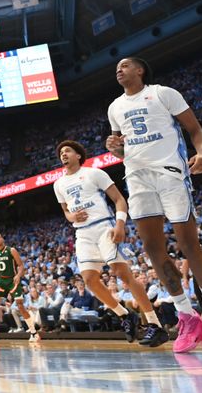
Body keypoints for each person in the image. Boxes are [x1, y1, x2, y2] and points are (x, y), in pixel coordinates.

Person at [106, 57, 202, 353]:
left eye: (125, 66)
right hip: (136, 176)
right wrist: (117, 149)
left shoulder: (163, 93)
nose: (119, 70)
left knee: (188, 244)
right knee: (152, 248)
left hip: (170, 171)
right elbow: (125, 149)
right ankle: (187, 315)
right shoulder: (114, 107)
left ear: (140, 70)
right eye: (117, 68)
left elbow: (196, 131)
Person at [53, 140, 168, 346]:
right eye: (61, 152)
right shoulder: (58, 184)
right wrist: (72, 217)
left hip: (104, 227)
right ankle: (125, 315)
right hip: (82, 233)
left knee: (123, 273)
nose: (63, 154)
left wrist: (120, 225)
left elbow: (119, 199)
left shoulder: (94, 173)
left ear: (78, 155)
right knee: (89, 279)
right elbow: (66, 211)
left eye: (68, 150)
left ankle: (154, 324)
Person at [0, 233, 38, 340]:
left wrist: (18, 275)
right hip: (1, 281)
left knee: (20, 305)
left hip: (12, 280)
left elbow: (21, 265)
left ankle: (34, 332)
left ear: (2, 239)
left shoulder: (11, 250)